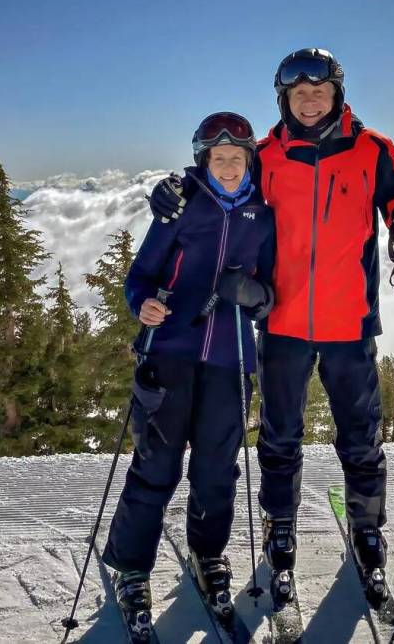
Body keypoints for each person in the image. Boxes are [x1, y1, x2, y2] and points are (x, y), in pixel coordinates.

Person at [147, 48, 394, 606]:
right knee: (279, 437)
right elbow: (215, 178)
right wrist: (172, 188)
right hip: (280, 321)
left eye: (319, 91)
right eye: (298, 92)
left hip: (349, 321)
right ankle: (281, 525)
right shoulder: (264, 155)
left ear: (336, 95)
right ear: (284, 98)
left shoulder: (372, 149)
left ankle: (367, 528)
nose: (309, 100)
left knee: (361, 437)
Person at [101, 111, 275, 637]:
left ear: (249, 161)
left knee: (217, 471)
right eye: (218, 158)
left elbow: (270, 293)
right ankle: (133, 566)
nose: (227, 166)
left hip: (229, 361)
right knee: (156, 467)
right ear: (204, 159)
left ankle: (209, 554)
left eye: (236, 158)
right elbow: (141, 277)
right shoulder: (179, 206)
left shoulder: (263, 216)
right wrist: (144, 304)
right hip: (169, 353)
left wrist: (253, 295)